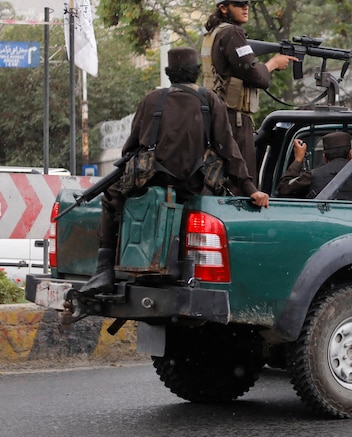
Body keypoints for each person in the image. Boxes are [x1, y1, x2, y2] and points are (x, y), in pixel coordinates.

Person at [79, 47, 270, 296]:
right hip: (193, 185)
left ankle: (104, 271)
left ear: (170, 74)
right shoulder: (210, 100)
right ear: (196, 74)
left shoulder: (152, 100)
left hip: (151, 181)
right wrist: (250, 189)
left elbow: (130, 149)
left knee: (112, 198)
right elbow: (229, 151)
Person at [201, 0, 298, 185]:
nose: (245, 8)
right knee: (243, 183)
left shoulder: (214, 33)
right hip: (234, 120)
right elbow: (255, 76)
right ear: (223, 8)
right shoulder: (233, 33)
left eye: (246, 4)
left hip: (218, 116)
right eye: (239, 4)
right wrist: (273, 64)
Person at [276, 131, 352, 201]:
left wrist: (298, 160)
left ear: (324, 157)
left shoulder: (312, 175)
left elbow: (283, 189)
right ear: (350, 154)